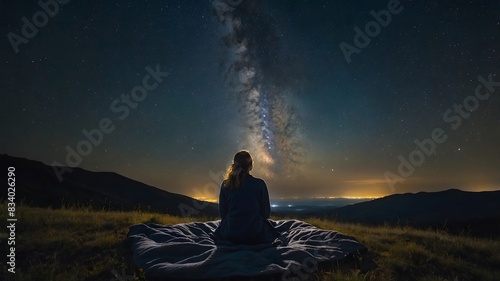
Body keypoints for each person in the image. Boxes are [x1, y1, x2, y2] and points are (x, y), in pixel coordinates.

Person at [214, 150, 280, 245]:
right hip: (255, 235)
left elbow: (223, 214)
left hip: (230, 234)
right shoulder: (259, 184)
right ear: (251, 166)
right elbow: (266, 214)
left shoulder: (226, 185)